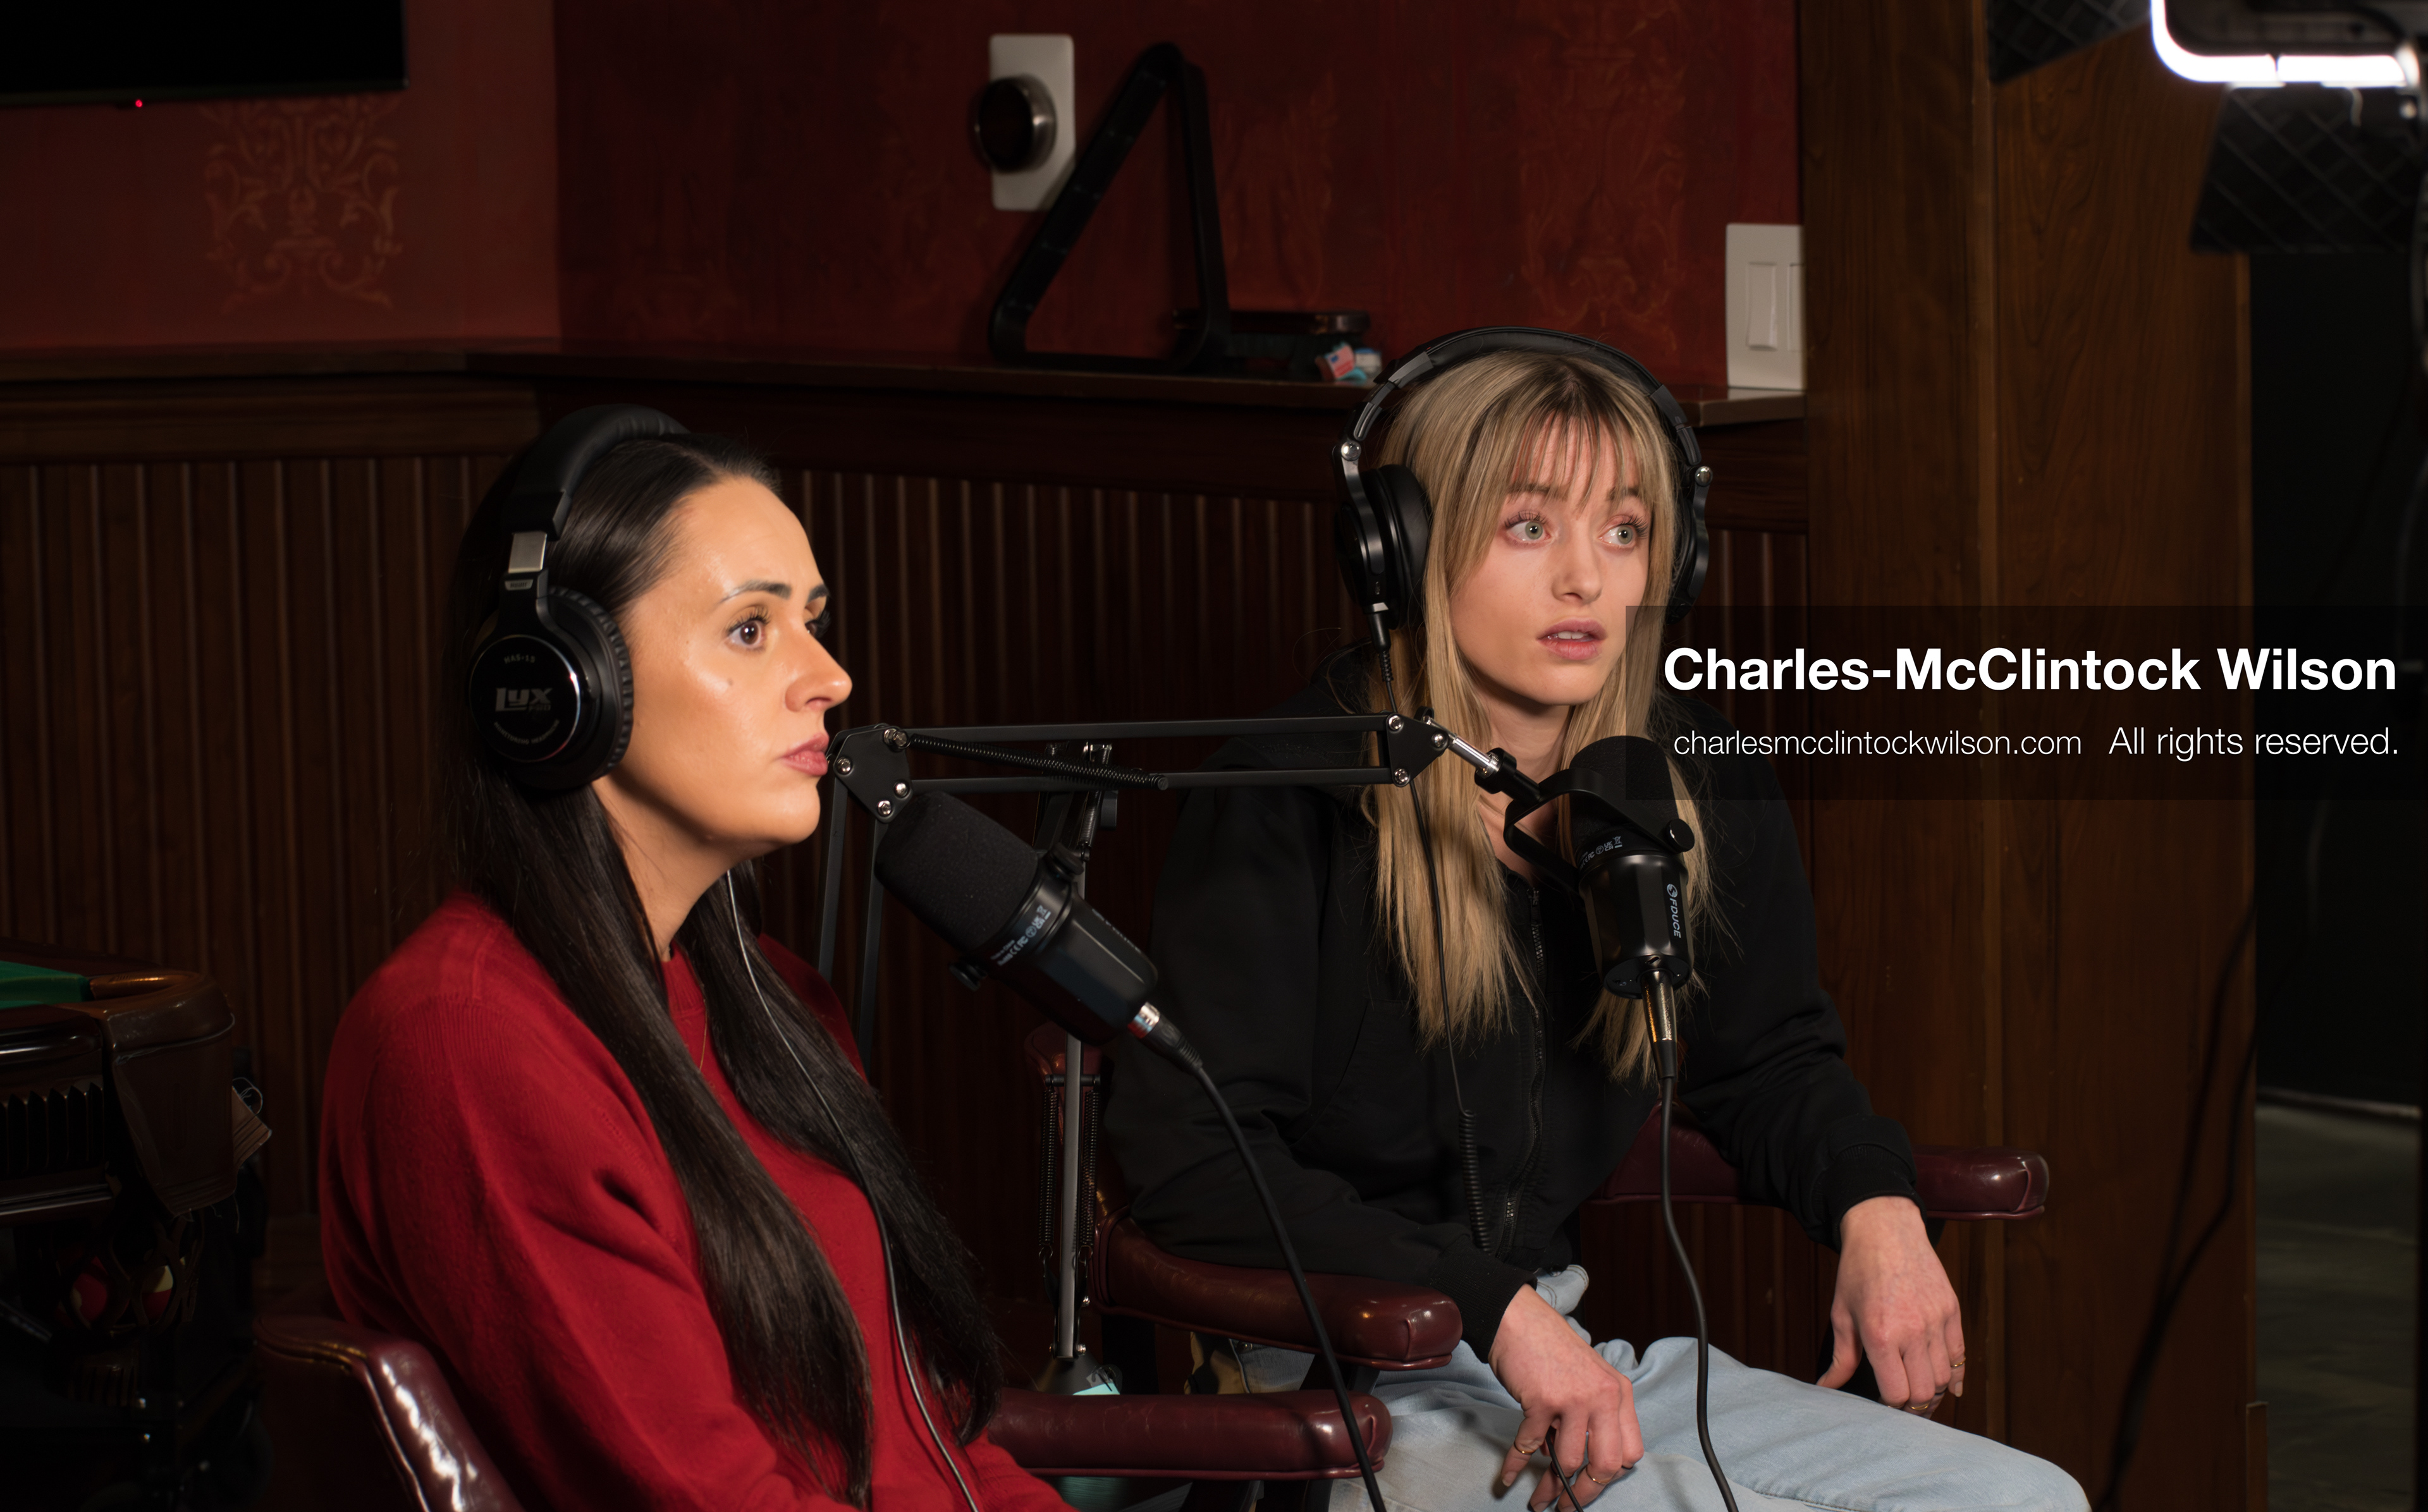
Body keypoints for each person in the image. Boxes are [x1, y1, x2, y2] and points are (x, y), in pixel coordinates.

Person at [1103, 345, 2088, 1512]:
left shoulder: (1683, 775)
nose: (1588, 580)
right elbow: (1193, 1158)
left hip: (1565, 1356)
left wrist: (1878, 1209)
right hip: (1337, 1387)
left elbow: (1770, 1060)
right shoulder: (1287, 795)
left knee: (2022, 1503)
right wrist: (1490, 1308)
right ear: (1403, 548)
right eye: (1530, 527)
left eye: (1624, 533)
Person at [318, 417, 1067, 1511]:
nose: (833, 678)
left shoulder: (770, 1002)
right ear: (560, 685)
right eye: (751, 630)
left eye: (812, 621)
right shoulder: (470, 1044)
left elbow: (934, 1442)